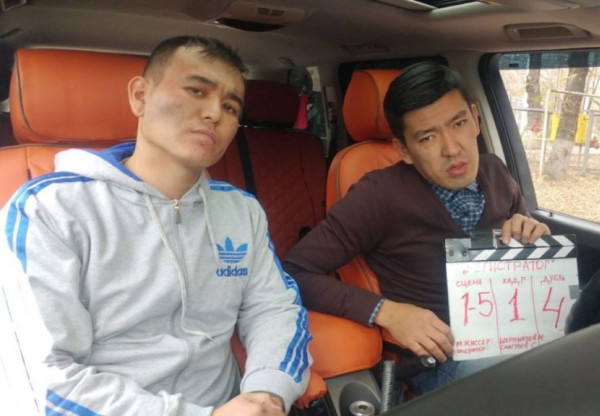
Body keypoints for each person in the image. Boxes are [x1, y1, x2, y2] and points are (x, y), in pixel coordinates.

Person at [0, 36, 310, 416]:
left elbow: (273, 308)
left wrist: (268, 393)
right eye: (196, 90)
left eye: (230, 106)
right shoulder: (48, 210)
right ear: (140, 96)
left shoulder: (241, 211)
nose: (214, 112)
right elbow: (44, 379)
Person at [283, 62, 549, 394]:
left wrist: (531, 234)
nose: (452, 148)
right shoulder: (378, 194)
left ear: (475, 119)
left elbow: (527, 255)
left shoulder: (496, 171)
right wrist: (386, 312)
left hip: (519, 331)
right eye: (428, 137)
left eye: (459, 124)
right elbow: (293, 271)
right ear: (404, 150)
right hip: (443, 358)